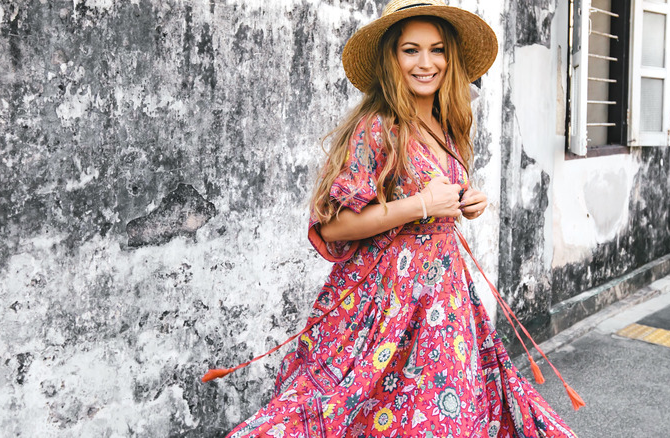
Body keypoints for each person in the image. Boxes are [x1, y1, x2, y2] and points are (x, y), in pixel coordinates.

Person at [226, 1, 577, 436]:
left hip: (443, 302)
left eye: (437, 50)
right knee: (355, 409)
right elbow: (332, 227)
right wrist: (422, 206)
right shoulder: (377, 127)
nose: (426, 63)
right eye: (411, 50)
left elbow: (434, 195)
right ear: (393, 57)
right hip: (383, 303)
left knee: (445, 413)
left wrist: (465, 200)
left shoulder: (446, 126)